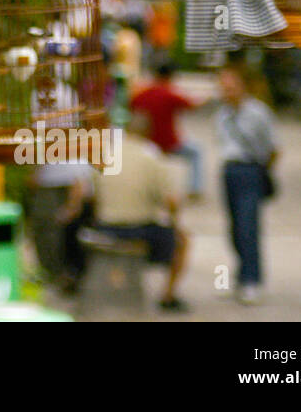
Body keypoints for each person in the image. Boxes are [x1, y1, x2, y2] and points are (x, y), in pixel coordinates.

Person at [90, 110, 190, 311]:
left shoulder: (107, 153)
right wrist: (175, 223)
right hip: (140, 229)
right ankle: (168, 296)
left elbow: (91, 194)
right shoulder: (151, 155)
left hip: (104, 227)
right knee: (183, 242)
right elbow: (171, 200)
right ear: (148, 132)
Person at [215, 61, 277, 305]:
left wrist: (262, 171)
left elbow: (273, 147)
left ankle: (252, 280)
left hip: (251, 170)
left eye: (231, 86)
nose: (227, 91)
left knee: (248, 226)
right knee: (234, 227)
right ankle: (241, 275)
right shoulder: (222, 115)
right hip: (229, 171)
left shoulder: (258, 113)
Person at [131, 63, 203, 198]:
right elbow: (192, 105)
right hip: (169, 143)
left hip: (146, 141)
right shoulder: (170, 94)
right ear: (170, 76)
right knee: (196, 152)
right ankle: (195, 189)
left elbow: (131, 108)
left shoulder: (142, 94)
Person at [28, 160, 94, 296]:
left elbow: (79, 175)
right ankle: (54, 275)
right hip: (49, 184)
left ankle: (63, 276)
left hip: (64, 186)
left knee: (57, 233)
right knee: (45, 232)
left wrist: (73, 204)